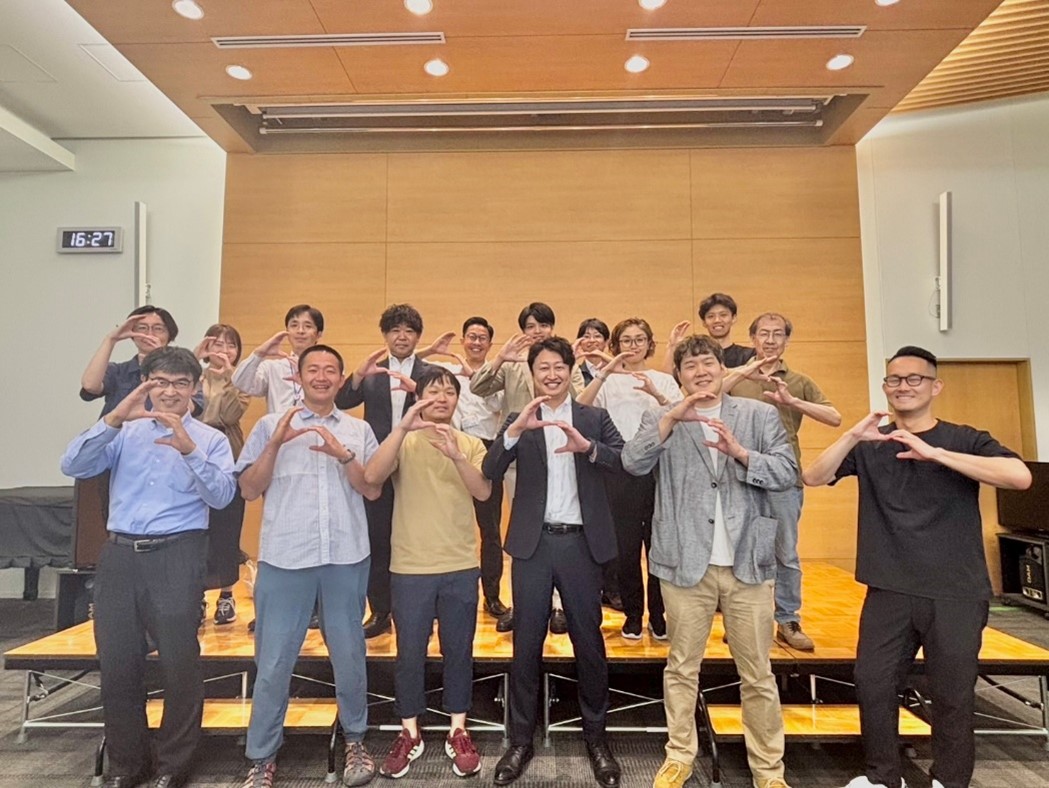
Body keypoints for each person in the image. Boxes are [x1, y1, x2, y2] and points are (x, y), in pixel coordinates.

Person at [803, 346, 1032, 788]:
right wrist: (851, 436)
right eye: (894, 379)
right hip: (889, 586)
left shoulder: (964, 438)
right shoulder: (873, 443)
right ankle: (883, 777)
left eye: (914, 379)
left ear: (935, 386)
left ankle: (949, 779)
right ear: (885, 386)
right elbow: (813, 476)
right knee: (872, 682)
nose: (903, 386)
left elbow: (1019, 477)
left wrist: (936, 454)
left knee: (951, 692)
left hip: (956, 591)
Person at [622, 334, 797, 788]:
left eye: (707, 363)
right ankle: (679, 755)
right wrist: (670, 419)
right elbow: (633, 462)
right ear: (679, 376)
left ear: (722, 367)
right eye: (690, 366)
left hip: (747, 562)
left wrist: (741, 454)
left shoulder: (758, 415)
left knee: (757, 673)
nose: (700, 372)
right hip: (683, 561)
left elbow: (787, 472)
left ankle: (769, 770)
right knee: (682, 667)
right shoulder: (662, 416)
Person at [61, 346, 236, 788]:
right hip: (119, 554)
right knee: (117, 662)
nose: (170, 391)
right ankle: (127, 763)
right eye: (160, 382)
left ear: (195, 388)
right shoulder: (124, 432)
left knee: (179, 662)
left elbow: (222, 497)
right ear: (146, 384)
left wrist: (190, 452)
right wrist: (114, 417)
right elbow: (73, 464)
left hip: (178, 553)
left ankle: (174, 763)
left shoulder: (210, 439)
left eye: (180, 383)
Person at [237, 344, 381, 788]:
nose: (321, 377)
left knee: (350, 656)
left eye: (330, 370)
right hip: (285, 557)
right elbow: (248, 489)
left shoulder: (358, 429)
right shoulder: (269, 425)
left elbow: (372, 490)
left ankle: (356, 741)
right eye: (312, 369)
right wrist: (275, 445)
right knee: (274, 661)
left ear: (341, 379)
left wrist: (344, 456)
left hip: (345, 555)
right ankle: (262, 756)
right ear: (297, 378)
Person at [483, 337, 624, 788]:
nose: (551, 374)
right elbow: (489, 470)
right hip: (533, 545)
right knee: (526, 646)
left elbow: (625, 462)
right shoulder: (520, 418)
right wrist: (513, 432)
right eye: (542, 367)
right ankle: (519, 741)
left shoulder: (594, 417)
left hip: (581, 545)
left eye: (559, 366)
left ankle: (597, 739)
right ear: (531, 373)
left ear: (570, 369)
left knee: (589, 644)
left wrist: (589, 448)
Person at [364, 367, 491, 779]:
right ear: (419, 396)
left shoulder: (471, 443)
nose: (442, 398)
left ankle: (458, 729)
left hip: (460, 563)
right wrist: (402, 426)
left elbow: (483, 491)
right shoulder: (404, 440)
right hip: (410, 565)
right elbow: (372, 477)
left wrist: (456, 455)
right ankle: (410, 732)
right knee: (409, 653)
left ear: (457, 399)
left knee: (459, 649)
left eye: (449, 391)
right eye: (433, 391)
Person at [728, 312, 841, 651]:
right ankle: (747, 620)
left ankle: (788, 619)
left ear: (787, 341)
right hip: (740, 474)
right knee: (743, 550)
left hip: (783, 479)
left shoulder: (798, 381)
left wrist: (793, 402)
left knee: (784, 553)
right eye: (764, 333)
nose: (770, 340)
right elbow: (705, 396)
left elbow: (834, 417)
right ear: (752, 338)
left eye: (778, 334)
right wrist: (741, 372)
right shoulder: (736, 377)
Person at [472, 302, 587, 634]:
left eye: (543, 325)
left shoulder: (565, 362)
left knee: (557, 527)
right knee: (522, 533)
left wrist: (569, 368)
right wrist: (500, 358)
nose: (537, 331)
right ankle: (522, 604)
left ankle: (558, 606)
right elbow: (478, 387)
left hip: (561, 452)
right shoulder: (513, 363)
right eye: (531, 326)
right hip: (519, 456)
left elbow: (581, 400)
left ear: (552, 328)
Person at [577, 317, 683, 640]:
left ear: (649, 344)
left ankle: (659, 615)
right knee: (626, 548)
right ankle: (633, 614)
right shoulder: (607, 381)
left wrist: (656, 394)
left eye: (639, 339)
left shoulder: (664, 380)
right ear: (616, 346)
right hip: (619, 470)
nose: (633, 346)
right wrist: (605, 373)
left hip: (659, 469)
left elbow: (684, 417)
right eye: (626, 340)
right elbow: (579, 409)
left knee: (658, 545)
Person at [335, 303, 434, 638]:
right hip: (378, 463)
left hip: (418, 463)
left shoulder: (429, 372)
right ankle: (380, 611)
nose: (401, 336)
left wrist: (417, 390)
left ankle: (422, 611)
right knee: (378, 539)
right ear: (385, 335)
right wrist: (357, 375)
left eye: (408, 330)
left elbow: (443, 407)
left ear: (418, 336)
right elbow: (341, 402)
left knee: (417, 538)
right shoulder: (372, 372)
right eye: (394, 330)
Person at [428, 316, 510, 619]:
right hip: (449, 445)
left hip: (486, 450)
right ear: (463, 340)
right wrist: (431, 351)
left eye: (482, 338)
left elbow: (496, 406)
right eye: (471, 337)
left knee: (490, 529)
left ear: (490, 343)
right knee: (444, 520)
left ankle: (492, 596)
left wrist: (475, 378)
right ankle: (441, 594)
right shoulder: (445, 371)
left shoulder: (496, 374)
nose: (476, 342)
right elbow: (409, 367)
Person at [195, 324, 251, 625]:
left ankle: (227, 594)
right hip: (193, 450)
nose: (224, 350)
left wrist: (229, 377)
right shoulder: (192, 376)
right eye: (217, 344)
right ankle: (197, 595)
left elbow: (230, 414)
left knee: (227, 527)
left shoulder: (241, 380)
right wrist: (194, 362)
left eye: (231, 345)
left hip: (227, 452)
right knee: (195, 528)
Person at [231, 304, 324, 413]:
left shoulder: (328, 369)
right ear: (287, 331)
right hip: (279, 424)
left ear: (318, 334)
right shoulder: (273, 368)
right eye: (294, 325)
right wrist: (259, 353)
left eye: (307, 326)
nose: (300, 331)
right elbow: (240, 383)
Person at [662, 293, 756, 374]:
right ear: (704, 322)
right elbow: (667, 382)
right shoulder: (694, 355)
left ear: (733, 318)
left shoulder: (748, 355)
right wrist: (672, 346)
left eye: (723, 315)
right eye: (711, 316)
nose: (717, 320)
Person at [576, 318, 611, 386]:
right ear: (579, 343)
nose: (592, 340)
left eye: (597, 336)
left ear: (606, 342)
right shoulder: (576, 372)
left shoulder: (613, 370)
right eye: (587, 336)